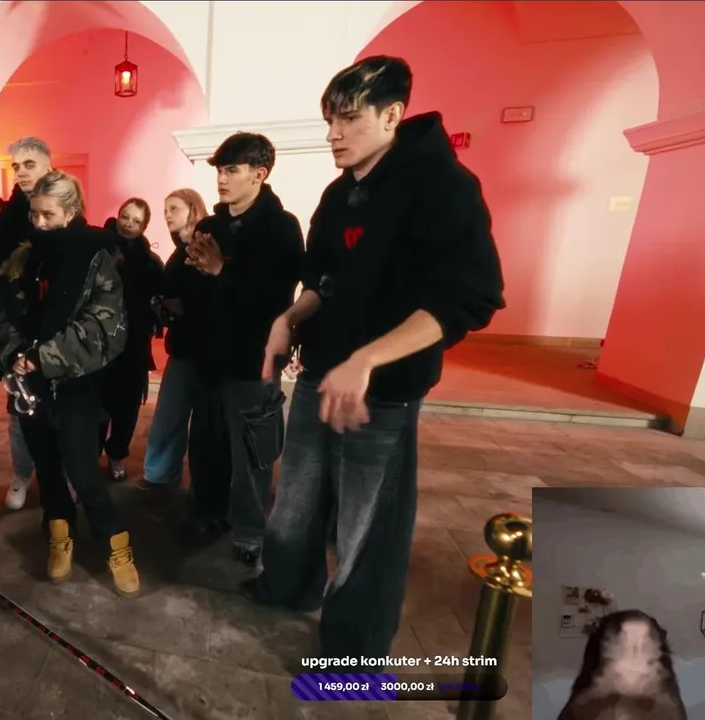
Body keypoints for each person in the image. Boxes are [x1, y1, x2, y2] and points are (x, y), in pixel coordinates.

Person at [242, 55, 505, 664]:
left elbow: (469, 296)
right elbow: (324, 277)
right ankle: (288, 584)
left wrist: (368, 359)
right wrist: (290, 318)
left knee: (367, 522)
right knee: (297, 498)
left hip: (384, 390)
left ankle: (356, 644)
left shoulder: (442, 185)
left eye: (349, 119)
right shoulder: (340, 193)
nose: (333, 134)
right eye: (329, 121)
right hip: (321, 373)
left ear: (392, 115)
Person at [0, 171, 141, 597]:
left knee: (85, 473)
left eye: (48, 215)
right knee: (48, 471)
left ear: (71, 212)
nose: (40, 223)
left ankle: (116, 546)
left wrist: (41, 358)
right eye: (35, 214)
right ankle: (59, 535)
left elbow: (105, 328)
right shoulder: (24, 259)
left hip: (76, 386)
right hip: (31, 388)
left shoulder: (97, 257)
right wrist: (13, 353)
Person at [183, 132, 306, 566]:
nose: (222, 179)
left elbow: (274, 296)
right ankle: (209, 512)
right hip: (209, 357)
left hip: (253, 359)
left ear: (259, 173)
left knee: (251, 452)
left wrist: (222, 270)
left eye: (232, 170)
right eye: (220, 170)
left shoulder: (280, 227)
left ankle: (251, 530)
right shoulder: (211, 226)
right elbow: (193, 287)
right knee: (207, 445)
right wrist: (194, 270)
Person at [0, 136, 52, 511]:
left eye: (30, 164)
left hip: (56, 327)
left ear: (48, 166)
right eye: (17, 166)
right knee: (20, 407)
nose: (22, 172)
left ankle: (59, 474)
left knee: (61, 409)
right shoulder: (5, 220)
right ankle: (22, 474)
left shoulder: (63, 205)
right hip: (17, 330)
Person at [140, 189, 209, 490]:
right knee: (169, 415)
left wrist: (178, 307)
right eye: (165, 209)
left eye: (174, 208)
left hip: (202, 347)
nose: (167, 214)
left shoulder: (202, 248)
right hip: (182, 345)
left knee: (200, 422)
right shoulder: (179, 251)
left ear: (193, 209)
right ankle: (160, 476)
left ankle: (195, 484)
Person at [99, 198, 164, 481]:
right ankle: (89, 457)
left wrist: (151, 321)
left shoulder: (149, 261)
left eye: (136, 221)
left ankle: (117, 454)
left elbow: (160, 298)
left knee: (127, 406)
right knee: (97, 403)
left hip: (133, 344)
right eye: (125, 216)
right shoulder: (98, 248)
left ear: (144, 226)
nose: (128, 224)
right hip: (98, 341)